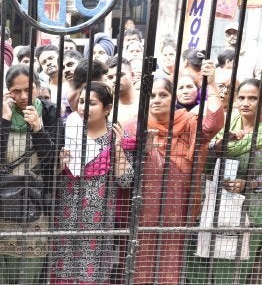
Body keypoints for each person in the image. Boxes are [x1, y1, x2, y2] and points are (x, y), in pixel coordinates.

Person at [122, 60, 225, 284]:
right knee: (142, 250)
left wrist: (212, 84)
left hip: (176, 202)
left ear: (173, 98)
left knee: (171, 250)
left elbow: (212, 125)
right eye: (152, 96)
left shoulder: (187, 121)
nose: (157, 100)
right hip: (143, 202)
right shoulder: (134, 126)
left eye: (163, 95)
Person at [0, 64, 62, 284]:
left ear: (37, 87)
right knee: (0, 275)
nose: (22, 96)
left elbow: (51, 161)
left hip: (34, 203)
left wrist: (38, 128)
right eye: (16, 91)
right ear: (8, 90)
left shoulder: (49, 112)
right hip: (1, 204)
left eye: (28, 89)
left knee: (29, 274)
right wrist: (5, 121)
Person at [52, 82, 132, 284]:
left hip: (99, 223)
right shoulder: (66, 133)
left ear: (107, 108)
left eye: (92, 103)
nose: (83, 108)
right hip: (66, 218)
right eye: (80, 102)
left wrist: (118, 150)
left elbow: (125, 181)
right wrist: (58, 166)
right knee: (64, 271)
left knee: (93, 275)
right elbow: (51, 180)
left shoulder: (117, 137)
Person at [186, 78, 262, 284]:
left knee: (230, 270)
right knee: (199, 265)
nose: (245, 103)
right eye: (242, 97)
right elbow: (203, 164)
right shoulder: (227, 123)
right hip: (213, 207)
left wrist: (248, 184)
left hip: (250, 212)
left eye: (253, 98)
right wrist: (219, 145)